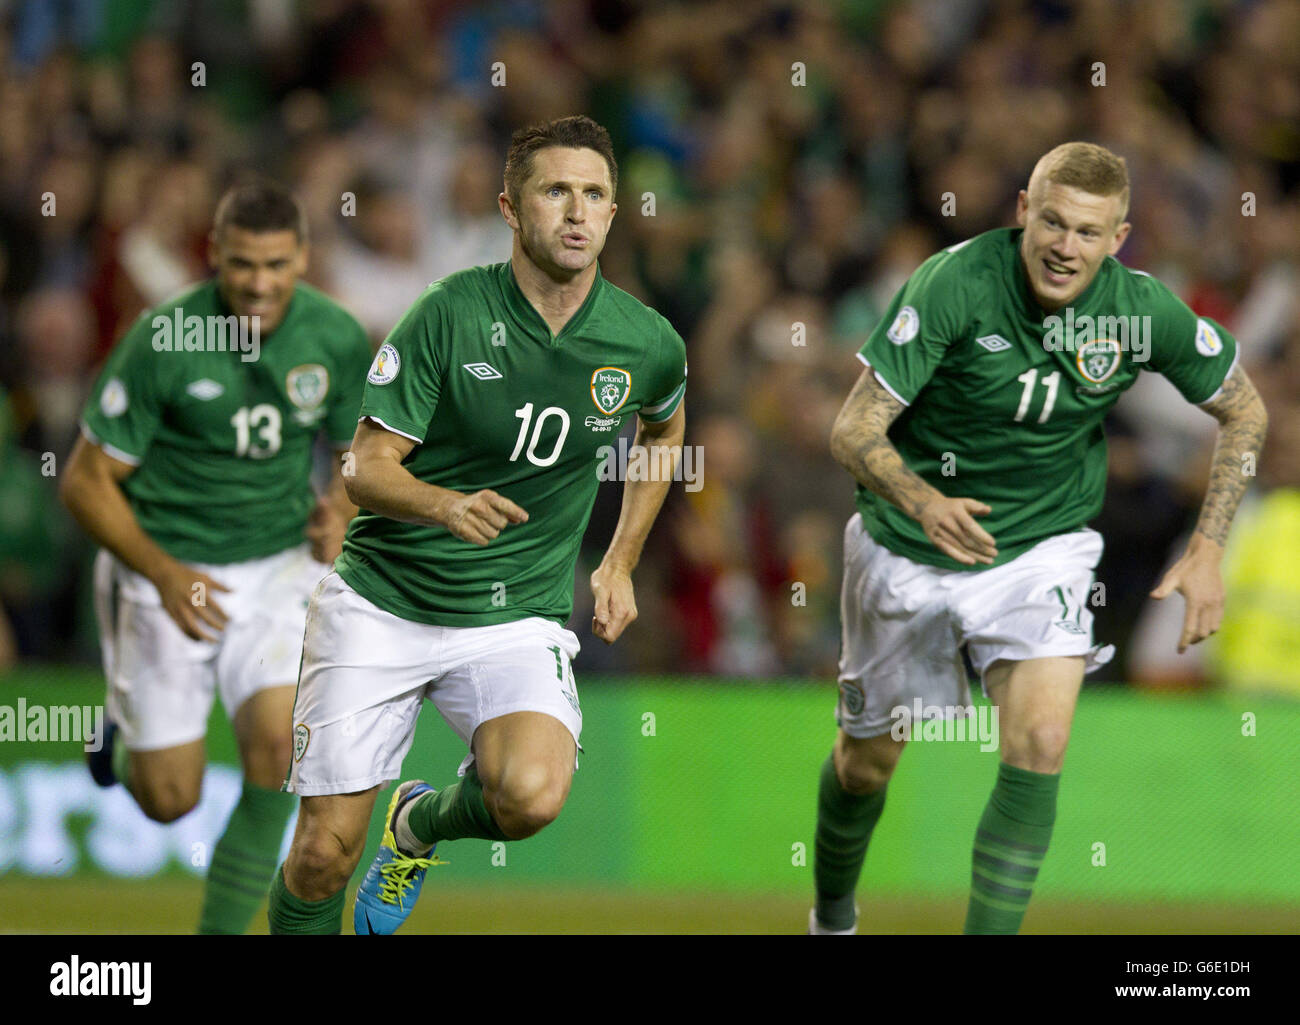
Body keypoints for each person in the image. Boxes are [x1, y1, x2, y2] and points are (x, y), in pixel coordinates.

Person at [811, 142, 1268, 935]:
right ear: (1023, 209)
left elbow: (1246, 410)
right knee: (865, 764)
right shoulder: (954, 282)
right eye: (1053, 222)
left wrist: (1207, 548)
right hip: (905, 547)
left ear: (1118, 238)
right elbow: (851, 429)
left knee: (1043, 737)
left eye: (1089, 233)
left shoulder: (1140, 309)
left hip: (1043, 548)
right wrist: (924, 500)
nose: (1066, 245)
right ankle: (832, 917)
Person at [267, 115, 687, 935]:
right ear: (508, 207)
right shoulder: (448, 313)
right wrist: (442, 503)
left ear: (612, 214)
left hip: (514, 616)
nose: (576, 211)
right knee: (322, 855)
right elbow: (363, 467)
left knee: (531, 795)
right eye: (555, 190)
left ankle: (417, 825)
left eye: (594, 194)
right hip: (384, 602)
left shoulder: (646, 342)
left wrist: (620, 559)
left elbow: (665, 429)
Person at [61, 180, 371, 934]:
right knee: (170, 798)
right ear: (213, 257)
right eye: (241, 265)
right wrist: (165, 575)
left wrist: (344, 506)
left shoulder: (334, 335)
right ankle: (121, 728)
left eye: (274, 263)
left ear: (301, 256)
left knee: (277, 750)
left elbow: (360, 451)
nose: (258, 283)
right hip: (168, 566)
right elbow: (83, 480)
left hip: (277, 569)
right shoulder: (162, 338)